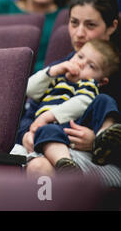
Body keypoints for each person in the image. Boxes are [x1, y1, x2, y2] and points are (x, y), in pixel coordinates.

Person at [12, 0, 121, 187]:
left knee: (40, 169)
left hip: (104, 161)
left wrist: (95, 143)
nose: (79, 33)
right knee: (38, 167)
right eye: (74, 23)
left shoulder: (113, 74)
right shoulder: (60, 67)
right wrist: (28, 134)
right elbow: (29, 111)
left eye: (90, 25)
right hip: (53, 146)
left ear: (112, 26)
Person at [23, 39, 119, 172]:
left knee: (105, 100)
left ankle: (103, 138)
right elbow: (28, 89)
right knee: (47, 130)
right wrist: (52, 71)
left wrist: (47, 116)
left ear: (102, 81)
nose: (80, 64)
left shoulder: (88, 84)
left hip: (73, 126)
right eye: (80, 56)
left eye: (91, 66)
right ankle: (64, 163)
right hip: (49, 130)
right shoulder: (57, 79)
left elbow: (82, 103)